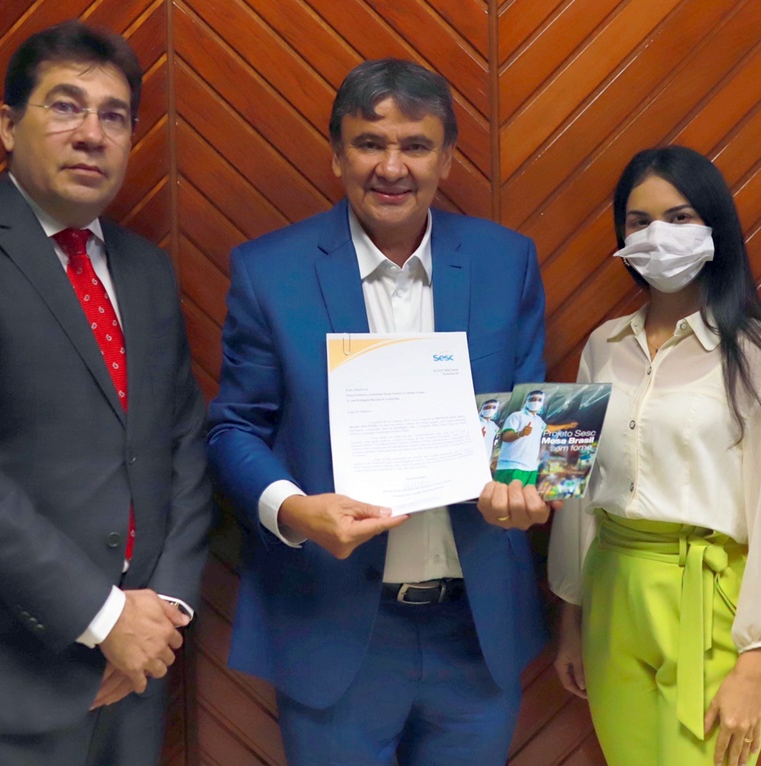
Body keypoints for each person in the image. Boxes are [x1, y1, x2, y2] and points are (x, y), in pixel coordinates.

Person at [0, 21, 215, 766]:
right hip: (0, 683)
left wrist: (161, 612)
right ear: (6, 125)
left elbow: (183, 442)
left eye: (114, 116)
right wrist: (104, 618)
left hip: (137, 673)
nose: (91, 134)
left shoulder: (146, 270)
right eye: (65, 107)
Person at [207, 58, 549, 766]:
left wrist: (522, 487)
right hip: (332, 625)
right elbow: (235, 427)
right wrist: (294, 511)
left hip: (475, 631)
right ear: (338, 154)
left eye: (416, 146)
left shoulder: (505, 262)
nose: (392, 168)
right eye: (370, 143)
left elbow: (527, 414)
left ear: (446, 159)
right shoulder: (270, 271)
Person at [548, 146, 761, 766]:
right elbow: (575, 494)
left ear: (714, 225)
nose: (657, 235)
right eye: (639, 221)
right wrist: (570, 621)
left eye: (679, 217)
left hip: (708, 600)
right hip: (611, 592)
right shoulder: (602, 347)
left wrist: (756, 662)